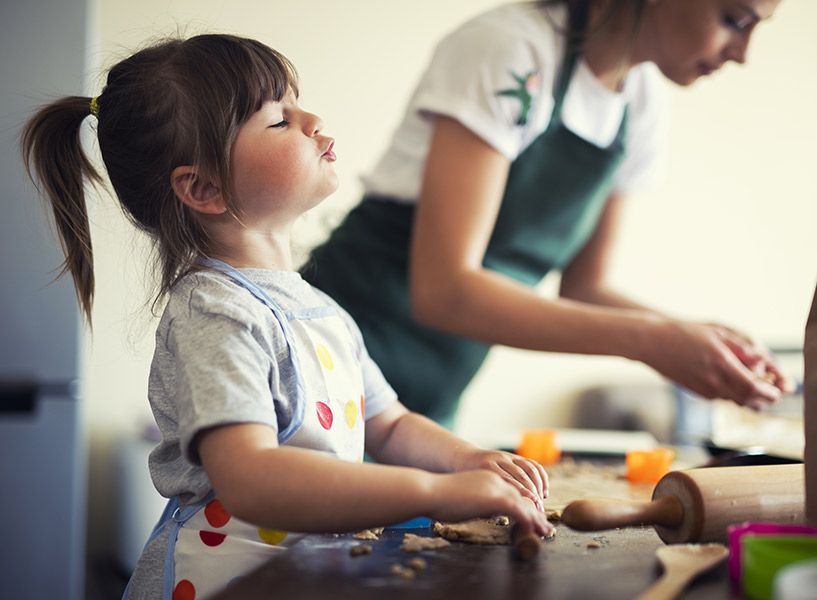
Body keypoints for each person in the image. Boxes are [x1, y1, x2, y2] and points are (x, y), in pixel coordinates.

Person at [20, 33, 551, 600]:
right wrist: (433, 492)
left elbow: (390, 425)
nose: (313, 119)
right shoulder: (213, 310)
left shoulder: (321, 308)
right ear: (204, 187)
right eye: (279, 119)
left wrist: (469, 459)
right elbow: (249, 478)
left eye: (298, 104)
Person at [301, 0, 794, 429]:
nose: (743, 53)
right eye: (734, 18)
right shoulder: (510, 50)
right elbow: (444, 291)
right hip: (329, 370)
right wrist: (652, 341)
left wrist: (699, 340)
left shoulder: (640, 105)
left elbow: (586, 288)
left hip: (427, 408)